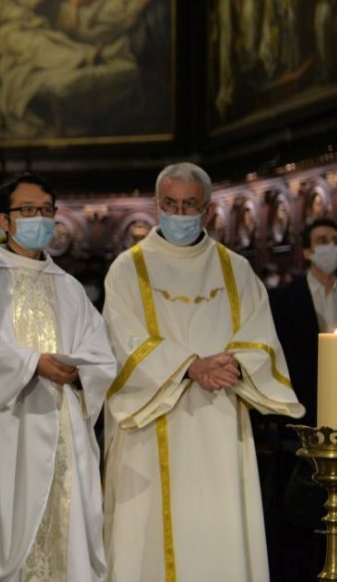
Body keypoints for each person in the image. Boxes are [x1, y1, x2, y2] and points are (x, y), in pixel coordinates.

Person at [103, 162, 302, 582]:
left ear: (208, 210)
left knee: (219, 530)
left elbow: (260, 338)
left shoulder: (235, 269)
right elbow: (121, 339)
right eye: (171, 204)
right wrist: (189, 366)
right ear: (157, 205)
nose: (179, 214)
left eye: (189, 204)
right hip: (149, 419)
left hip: (219, 420)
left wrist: (226, 366)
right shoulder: (128, 268)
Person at [0, 172, 115, 581]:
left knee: (67, 530)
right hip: (8, 426)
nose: (38, 218)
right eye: (27, 211)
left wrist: (82, 370)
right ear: (4, 220)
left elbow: (101, 352)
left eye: (45, 211)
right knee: (7, 531)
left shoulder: (69, 286)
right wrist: (31, 363)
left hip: (64, 427)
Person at [263, 216, 337, 580]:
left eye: (335, 239)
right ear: (307, 251)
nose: (330, 246)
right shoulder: (283, 299)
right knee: (300, 517)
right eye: (322, 240)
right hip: (300, 419)